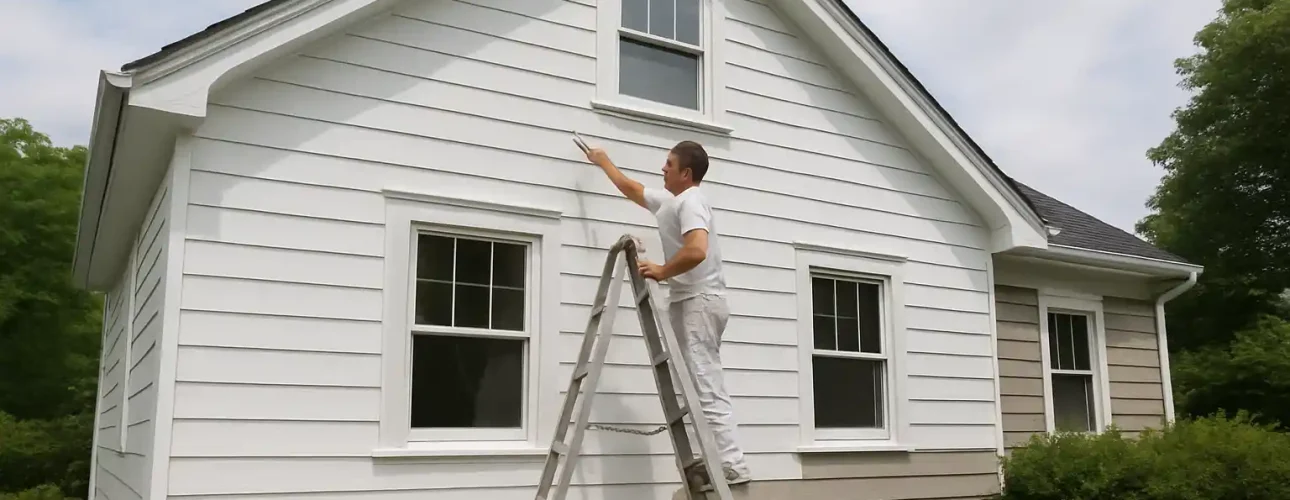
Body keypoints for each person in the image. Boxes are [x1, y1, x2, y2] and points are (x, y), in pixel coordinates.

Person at [582, 139, 752, 486]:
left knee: (705, 382)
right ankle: (716, 459)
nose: (663, 168)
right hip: (689, 302)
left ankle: (733, 464)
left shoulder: (692, 202)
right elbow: (632, 188)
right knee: (692, 384)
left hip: (700, 301)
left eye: (669, 164)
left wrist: (661, 270)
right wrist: (603, 160)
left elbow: (697, 250)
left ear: (686, 173)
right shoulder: (672, 202)